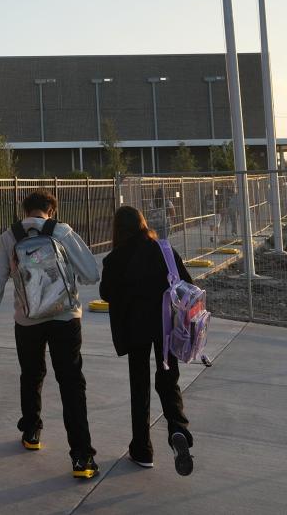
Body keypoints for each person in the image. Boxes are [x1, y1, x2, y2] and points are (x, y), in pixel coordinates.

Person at [0, 189, 102, 479]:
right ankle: (82, 457)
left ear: (26, 210)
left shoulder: (9, 237)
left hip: (27, 319)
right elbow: (91, 274)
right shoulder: (62, 231)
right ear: (51, 211)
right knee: (71, 384)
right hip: (65, 318)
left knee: (31, 374)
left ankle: (31, 431)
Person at [99, 204, 196, 476]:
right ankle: (178, 428)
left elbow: (106, 293)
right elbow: (186, 282)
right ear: (142, 223)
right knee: (168, 380)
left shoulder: (115, 259)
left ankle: (142, 450)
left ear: (118, 229)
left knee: (139, 387)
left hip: (134, 331)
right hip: (166, 329)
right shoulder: (163, 249)